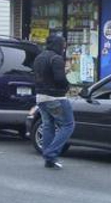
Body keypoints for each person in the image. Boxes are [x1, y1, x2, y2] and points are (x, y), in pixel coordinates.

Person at [32, 34, 74, 169]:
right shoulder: (56, 59)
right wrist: (67, 86)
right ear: (58, 45)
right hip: (55, 98)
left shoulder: (39, 57)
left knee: (48, 125)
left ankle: (48, 159)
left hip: (40, 97)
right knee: (68, 125)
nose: (64, 47)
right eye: (63, 44)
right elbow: (60, 79)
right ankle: (51, 154)